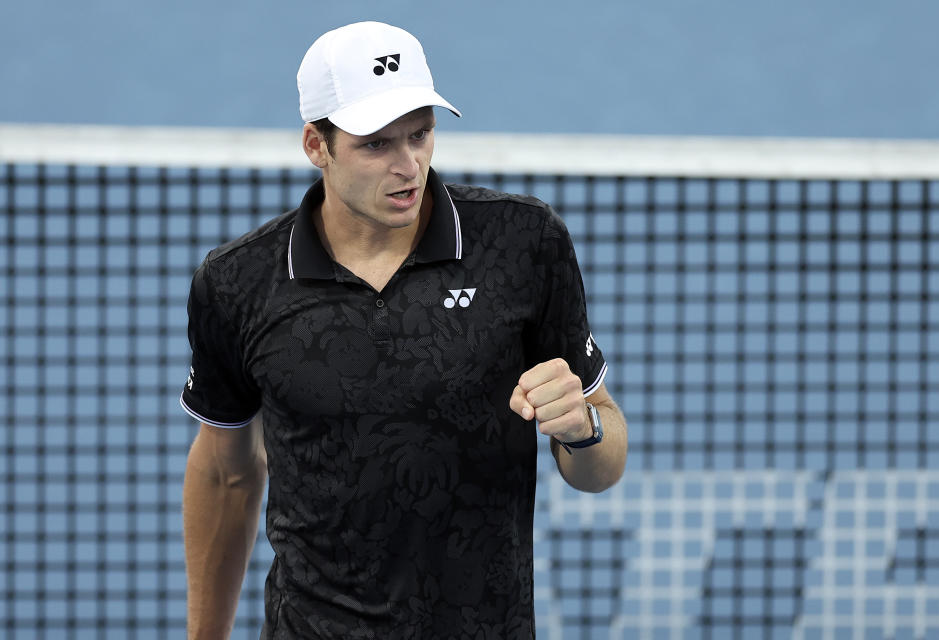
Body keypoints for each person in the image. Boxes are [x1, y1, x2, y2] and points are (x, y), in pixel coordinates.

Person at [180, 20, 627, 640]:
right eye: (376, 145)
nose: (407, 165)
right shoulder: (239, 283)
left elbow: (602, 466)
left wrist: (583, 428)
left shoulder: (522, 245)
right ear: (316, 144)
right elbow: (225, 472)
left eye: (421, 134)